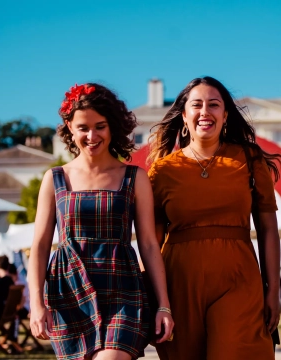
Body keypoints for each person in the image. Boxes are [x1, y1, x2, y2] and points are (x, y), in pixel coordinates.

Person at [28, 83, 173, 360]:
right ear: (70, 126)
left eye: (100, 126)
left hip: (123, 287)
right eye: (83, 127)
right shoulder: (54, 178)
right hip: (68, 291)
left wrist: (163, 305)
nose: (91, 135)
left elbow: (149, 245)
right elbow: (40, 245)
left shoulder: (135, 177)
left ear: (112, 127)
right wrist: (36, 302)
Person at [148, 76, 281, 360]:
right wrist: (158, 300)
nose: (205, 111)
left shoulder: (250, 159)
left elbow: (268, 229)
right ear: (184, 116)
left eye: (214, 105)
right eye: (196, 105)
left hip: (239, 279)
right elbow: (151, 242)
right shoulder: (161, 171)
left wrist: (272, 291)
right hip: (179, 283)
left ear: (225, 115)